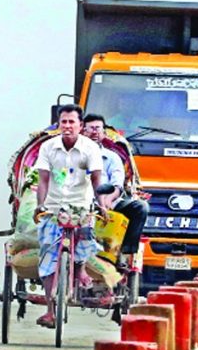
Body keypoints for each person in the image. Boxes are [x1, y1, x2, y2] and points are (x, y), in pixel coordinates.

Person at [32, 104, 105, 328]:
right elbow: (43, 179)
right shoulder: (48, 147)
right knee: (46, 258)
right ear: (58, 125)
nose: (67, 126)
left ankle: (79, 271)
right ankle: (50, 310)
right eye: (63, 122)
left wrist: (100, 204)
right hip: (54, 207)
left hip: (81, 207)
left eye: (72, 122)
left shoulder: (90, 148)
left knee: (85, 244)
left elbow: (96, 178)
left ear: (80, 126)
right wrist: (40, 205)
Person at [82, 114, 149, 267]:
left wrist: (107, 201)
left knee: (140, 207)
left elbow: (117, 185)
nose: (94, 132)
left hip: (108, 200)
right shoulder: (74, 155)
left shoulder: (112, 157)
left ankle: (125, 253)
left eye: (98, 128)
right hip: (80, 202)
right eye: (90, 129)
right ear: (82, 132)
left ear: (103, 133)